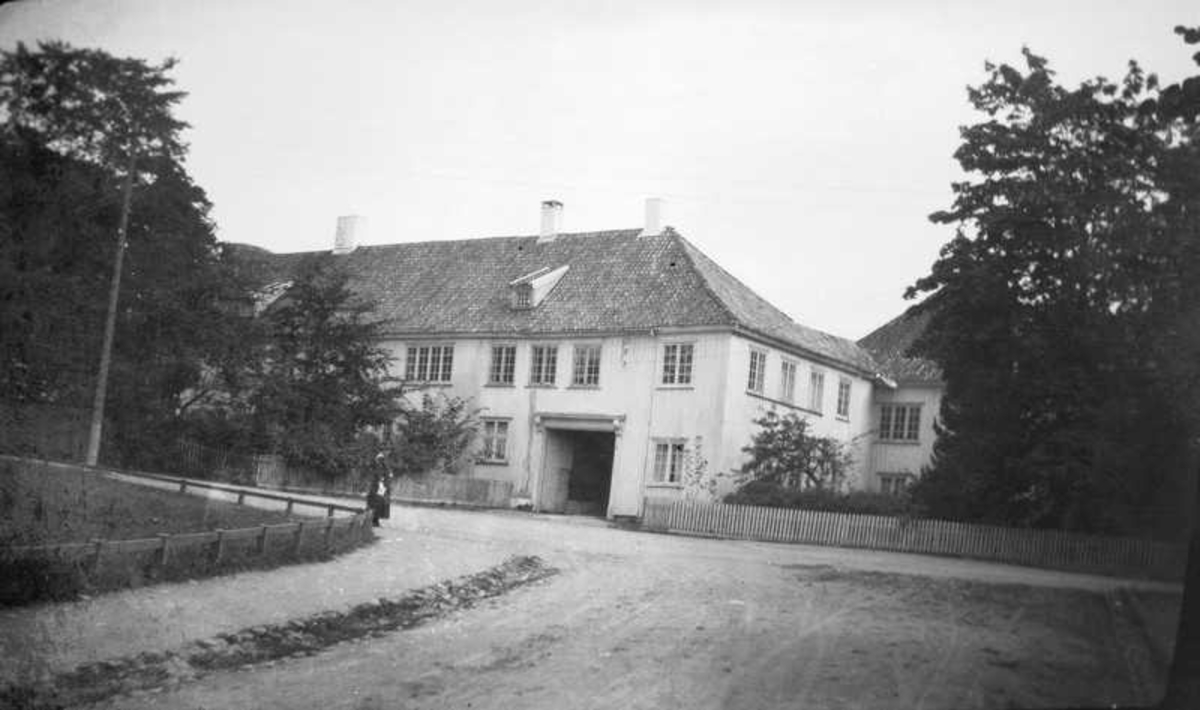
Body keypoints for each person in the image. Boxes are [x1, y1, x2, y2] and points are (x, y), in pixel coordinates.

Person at [366, 451, 393, 527]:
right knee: (374, 504)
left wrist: (385, 480)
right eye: (379, 459)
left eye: (381, 459)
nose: (380, 461)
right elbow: (375, 477)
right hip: (375, 489)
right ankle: (372, 521)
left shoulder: (384, 467)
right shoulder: (376, 467)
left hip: (380, 489)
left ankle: (375, 521)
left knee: (379, 505)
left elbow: (387, 476)